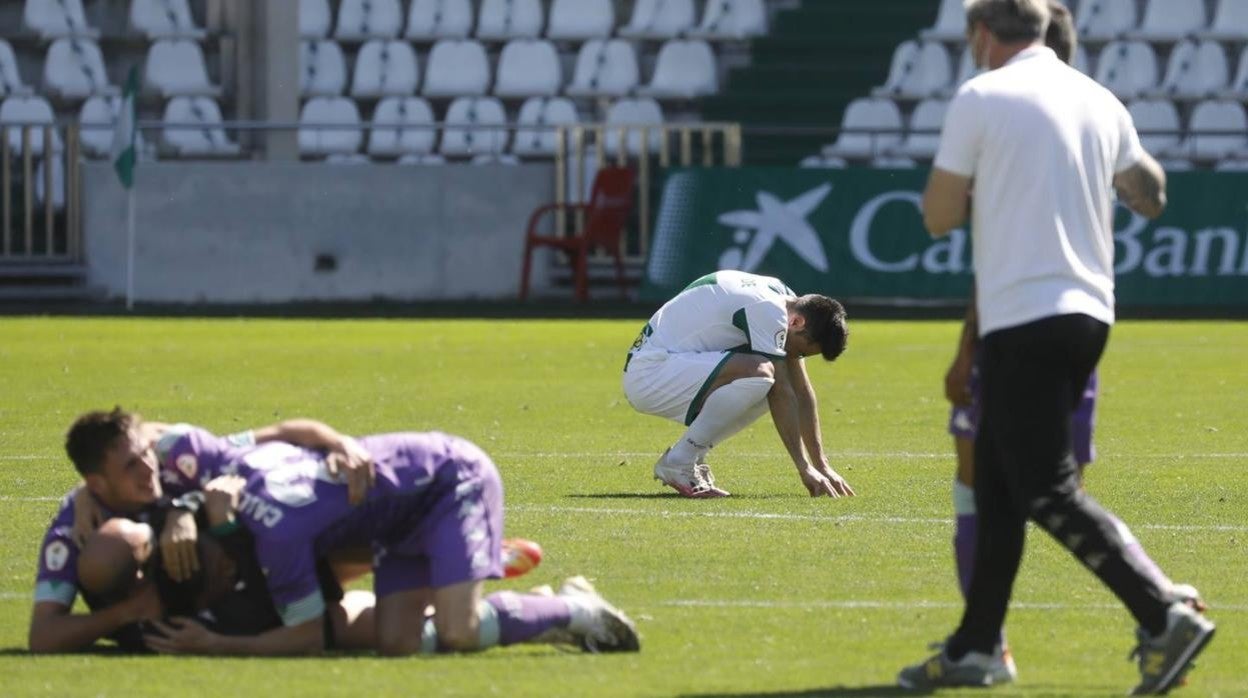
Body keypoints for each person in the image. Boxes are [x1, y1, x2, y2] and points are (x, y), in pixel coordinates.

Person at [899, 0, 1214, 693]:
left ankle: (1162, 612)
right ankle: (976, 646)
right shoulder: (1097, 98)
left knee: (1045, 487)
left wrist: (988, 185)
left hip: (1023, 314)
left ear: (983, 34)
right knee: (1002, 486)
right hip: (1088, 314)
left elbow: (937, 215)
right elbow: (1153, 193)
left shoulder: (982, 95)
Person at [74, 420, 639, 656]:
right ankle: (525, 607)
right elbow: (149, 434)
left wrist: (221, 646)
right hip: (396, 520)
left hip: (449, 480)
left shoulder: (277, 542)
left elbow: (309, 634)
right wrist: (91, 493)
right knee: (396, 644)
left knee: (458, 632)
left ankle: (572, 607)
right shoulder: (235, 469)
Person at [29, 409, 374, 653]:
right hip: (216, 604)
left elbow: (285, 432)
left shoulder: (180, 456)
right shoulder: (71, 530)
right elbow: (43, 636)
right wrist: (127, 612)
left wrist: (341, 443)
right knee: (339, 627)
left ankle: (400, 556)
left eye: (147, 454)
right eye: (131, 465)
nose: (148, 467)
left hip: (266, 553)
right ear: (97, 484)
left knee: (328, 542)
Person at [623, 270, 855, 499]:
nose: (793, 356)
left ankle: (687, 458)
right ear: (797, 322)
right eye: (800, 351)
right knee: (762, 375)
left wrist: (822, 465)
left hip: (670, 367)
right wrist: (804, 467)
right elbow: (782, 392)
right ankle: (679, 461)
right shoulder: (769, 310)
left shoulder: (786, 301)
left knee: (765, 381)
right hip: (649, 375)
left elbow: (801, 391)